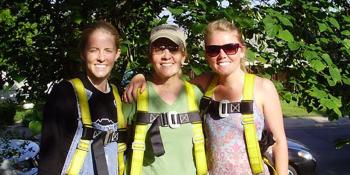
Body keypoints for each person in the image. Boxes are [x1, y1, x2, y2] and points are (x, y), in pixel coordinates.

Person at [124, 19, 288, 175]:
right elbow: (169, 82)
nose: (222, 55)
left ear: (242, 50)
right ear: (206, 55)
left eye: (230, 47)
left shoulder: (262, 87)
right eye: (213, 50)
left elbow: (279, 141)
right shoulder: (204, 86)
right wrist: (139, 77)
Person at [38, 20, 127, 175]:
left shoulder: (119, 96)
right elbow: (50, 157)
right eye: (94, 50)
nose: (101, 57)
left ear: (117, 54)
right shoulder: (66, 93)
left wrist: (139, 77)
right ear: (83, 53)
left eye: (108, 50)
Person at [123, 24, 207, 175]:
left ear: (184, 55)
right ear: (150, 56)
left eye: (173, 48)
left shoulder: (196, 95)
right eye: (159, 49)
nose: (166, 55)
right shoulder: (136, 93)